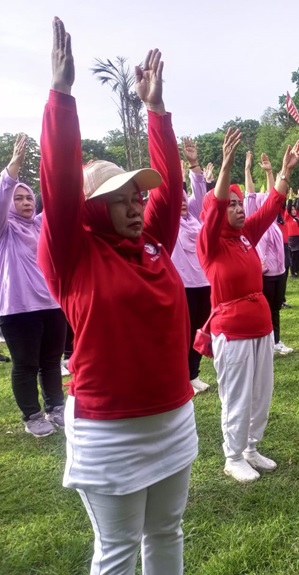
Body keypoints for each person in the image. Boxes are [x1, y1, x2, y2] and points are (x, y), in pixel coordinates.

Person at [38, 21, 197, 574]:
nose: (136, 205)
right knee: (118, 550)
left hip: (173, 417)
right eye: (120, 198)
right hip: (108, 429)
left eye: (136, 196)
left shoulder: (152, 244)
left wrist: (157, 110)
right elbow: (58, 185)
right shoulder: (71, 256)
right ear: (89, 207)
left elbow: (170, 192)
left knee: (167, 533)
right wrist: (61, 97)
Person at [197, 132, 299, 483]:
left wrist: (285, 171)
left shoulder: (245, 236)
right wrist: (226, 166)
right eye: (232, 204)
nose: (240, 209)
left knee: (261, 394)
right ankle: (232, 455)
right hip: (232, 330)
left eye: (241, 204)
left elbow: (273, 204)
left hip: (261, 329)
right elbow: (214, 209)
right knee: (238, 396)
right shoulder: (210, 242)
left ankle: (251, 448)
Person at [0, 133, 66, 437]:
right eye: (19, 197)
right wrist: (12, 170)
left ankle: (56, 406)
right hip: (18, 310)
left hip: (53, 305)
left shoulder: (40, 226)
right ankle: (32, 414)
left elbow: (57, 203)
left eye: (29, 197)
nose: (26, 202)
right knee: (26, 364)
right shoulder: (6, 230)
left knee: (51, 361)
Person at [244, 151, 293, 355]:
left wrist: (270, 172)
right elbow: (250, 195)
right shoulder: (252, 220)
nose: (265, 205)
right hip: (263, 274)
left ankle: (276, 341)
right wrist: (247, 169)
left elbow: (275, 194)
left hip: (279, 272)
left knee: (275, 309)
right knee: (263, 310)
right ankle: (263, 343)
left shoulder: (272, 222)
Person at [173, 138, 211, 395]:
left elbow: (203, 195)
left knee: (199, 331)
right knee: (182, 334)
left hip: (203, 284)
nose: (183, 201)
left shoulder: (196, 221)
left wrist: (194, 165)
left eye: (184, 198)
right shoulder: (168, 227)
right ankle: (180, 377)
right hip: (181, 287)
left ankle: (193, 374)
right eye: (177, 199)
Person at [285, 187, 299, 278]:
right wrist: (290, 196)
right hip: (292, 240)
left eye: (294, 209)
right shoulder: (287, 217)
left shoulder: (297, 216)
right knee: (293, 257)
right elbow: (288, 207)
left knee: (298, 257)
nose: (293, 211)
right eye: (292, 210)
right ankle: (293, 273)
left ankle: (297, 271)